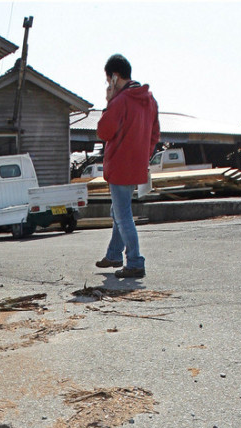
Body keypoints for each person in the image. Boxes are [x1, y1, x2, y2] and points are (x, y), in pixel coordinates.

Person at [96, 54, 160, 279]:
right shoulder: (149, 100)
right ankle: (114, 254)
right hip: (136, 165)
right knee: (118, 210)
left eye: (108, 80)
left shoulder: (120, 101)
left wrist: (109, 103)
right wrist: (143, 156)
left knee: (122, 214)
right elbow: (155, 134)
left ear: (114, 77)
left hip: (120, 165)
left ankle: (134, 261)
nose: (108, 85)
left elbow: (104, 131)